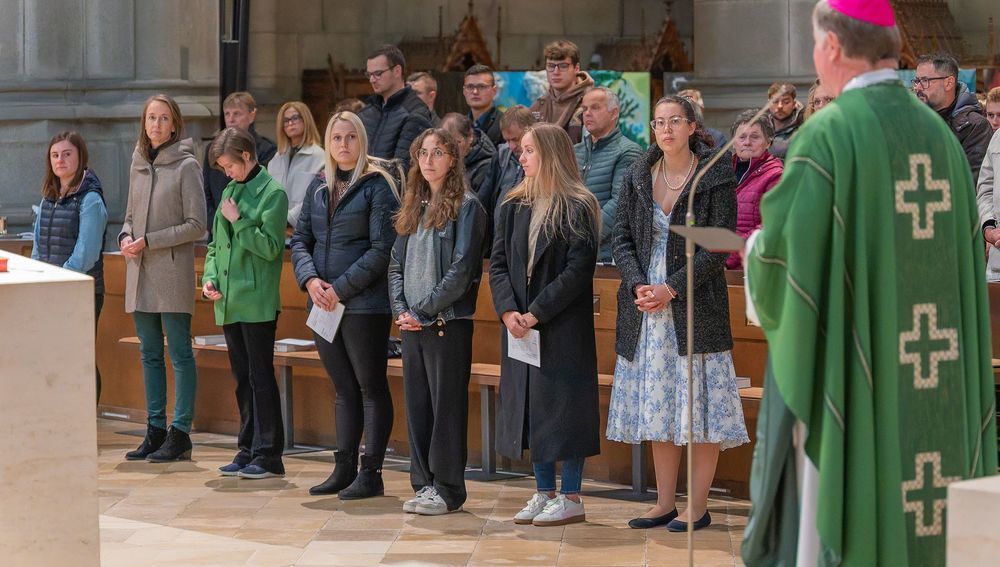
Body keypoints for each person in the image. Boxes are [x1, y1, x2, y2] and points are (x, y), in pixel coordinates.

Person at [741, 2, 996, 565]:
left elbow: (785, 262)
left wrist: (753, 252)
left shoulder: (829, 135)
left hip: (856, 373)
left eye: (815, 45)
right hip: (933, 372)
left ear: (832, 47)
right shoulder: (939, 138)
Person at [608, 95, 747, 532]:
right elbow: (621, 237)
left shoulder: (714, 173)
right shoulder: (638, 173)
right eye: (658, 122)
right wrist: (638, 284)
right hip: (646, 305)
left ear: (691, 127)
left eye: (674, 121)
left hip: (695, 302)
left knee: (699, 409)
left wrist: (671, 288)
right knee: (660, 405)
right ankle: (664, 502)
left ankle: (698, 506)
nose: (665, 130)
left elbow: (719, 244)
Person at [489, 123, 602, 527]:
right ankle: (543, 492)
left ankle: (571, 496)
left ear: (551, 154)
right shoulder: (513, 203)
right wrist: (508, 312)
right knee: (532, 408)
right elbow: (498, 264)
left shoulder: (578, 204)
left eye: (529, 150)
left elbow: (578, 270)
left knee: (565, 409)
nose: (521, 157)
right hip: (520, 325)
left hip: (560, 324)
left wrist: (536, 312)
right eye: (521, 150)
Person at [290, 111, 401, 499]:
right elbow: (300, 240)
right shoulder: (319, 184)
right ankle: (343, 468)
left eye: (351, 137)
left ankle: (371, 473)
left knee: (370, 387)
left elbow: (382, 249)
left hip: (364, 306)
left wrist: (338, 288)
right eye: (336, 137)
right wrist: (310, 281)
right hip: (323, 304)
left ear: (362, 140)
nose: (343, 144)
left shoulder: (377, 184)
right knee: (343, 388)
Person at [388, 129, 489, 516]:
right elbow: (395, 264)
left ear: (453, 159)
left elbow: (461, 271)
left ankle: (448, 489)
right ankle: (424, 484)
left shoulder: (468, 206)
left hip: (446, 323)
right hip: (413, 324)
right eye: (423, 153)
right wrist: (402, 309)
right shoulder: (414, 203)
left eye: (438, 153)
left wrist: (423, 311)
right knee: (417, 408)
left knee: (446, 409)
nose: (428, 160)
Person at [120, 94, 208, 463]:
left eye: (163, 118)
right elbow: (129, 215)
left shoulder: (187, 166)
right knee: (150, 353)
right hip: (139, 271)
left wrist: (150, 240)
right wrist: (125, 236)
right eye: (151, 118)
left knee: (180, 353)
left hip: (171, 271)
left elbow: (197, 225)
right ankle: (155, 429)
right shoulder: (138, 162)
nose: (156, 124)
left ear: (174, 126)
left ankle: (181, 431)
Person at [202, 128, 289, 479]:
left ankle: (269, 454)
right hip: (228, 299)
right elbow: (214, 246)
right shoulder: (230, 190)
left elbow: (271, 248)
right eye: (223, 168)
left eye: (230, 166)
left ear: (248, 156)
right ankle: (247, 447)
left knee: (260, 377)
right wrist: (209, 278)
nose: (227, 173)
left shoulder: (273, 193)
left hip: (256, 299)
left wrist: (239, 222)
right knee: (241, 378)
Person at [32, 131, 108, 403]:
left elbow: (85, 253)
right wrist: (39, 278)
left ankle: (87, 414)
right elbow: (38, 246)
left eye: (67, 154)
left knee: (79, 355)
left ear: (80, 157)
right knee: (52, 354)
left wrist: (58, 279)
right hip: (50, 287)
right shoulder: (48, 198)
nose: (60, 160)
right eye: (55, 155)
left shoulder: (90, 198)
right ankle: (58, 412)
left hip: (80, 289)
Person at [574, 86, 643, 262]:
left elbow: (619, 203)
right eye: (584, 108)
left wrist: (582, 235)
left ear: (614, 113)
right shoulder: (574, 151)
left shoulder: (629, 151)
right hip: (573, 251)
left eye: (595, 107)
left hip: (607, 255)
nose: (587, 113)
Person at [913, 52, 993, 184]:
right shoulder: (913, 123)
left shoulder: (975, 127)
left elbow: (971, 183)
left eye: (925, 81)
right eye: (916, 81)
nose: (918, 87)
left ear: (949, 83)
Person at [204, 92, 277, 230]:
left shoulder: (266, 149)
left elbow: (261, 192)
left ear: (252, 115)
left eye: (236, 114)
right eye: (227, 114)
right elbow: (205, 193)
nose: (231, 119)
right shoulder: (213, 148)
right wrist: (217, 225)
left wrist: (238, 222)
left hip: (250, 226)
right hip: (218, 228)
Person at [358, 45, 434, 170]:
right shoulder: (365, 113)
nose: (372, 80)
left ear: (397, 71)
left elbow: (403, 169)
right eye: (369, 74)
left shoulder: (416, 112)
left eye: (378, 74)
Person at [726, 109, 783, 269]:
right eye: (742, 137)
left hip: (753, 265)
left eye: (755, 137)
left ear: (768, 142)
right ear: (734, 142)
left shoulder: (775, 175)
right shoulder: (722, 171)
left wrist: (731, 257)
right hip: (717, 265)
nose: (747, 142)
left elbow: (771, 225)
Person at [267, 101, 325, 227]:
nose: (290, 123)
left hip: (305, 227)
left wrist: (288, 220)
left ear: (306, 120)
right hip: (275, 227)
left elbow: (315, 197)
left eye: (295, 118)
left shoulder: (320, 157)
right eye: (286, 120)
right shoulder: (276, 159)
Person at [479, 105, 535, 226]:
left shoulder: (541, 161)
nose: (511, 146)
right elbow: (484, 198)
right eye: (507, 140)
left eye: (516, 139)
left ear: (531, 131)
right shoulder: (501, 156)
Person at [529, 40, 595, 144]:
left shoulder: (591, 103)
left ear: (576, 68)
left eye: (563, 66)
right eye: (551, 66)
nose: (556, 72)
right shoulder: (538, 106)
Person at [441, 112, 496, 196]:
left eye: (456, 143)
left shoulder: (486, 167)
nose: (450, 149)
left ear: (470, 137)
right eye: (445, 143)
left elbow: (478, 202)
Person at [463, 64, 504, 147]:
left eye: (481, 86)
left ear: (494, 91)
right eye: (470, 86)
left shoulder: (504, 124)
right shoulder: (460, 124)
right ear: (464, 91)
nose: (475, 92)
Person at [766, 82, 804, 158]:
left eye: (786, 102)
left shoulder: (802, 129)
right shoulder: (761, 127)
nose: (780, 106)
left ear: (794, 104)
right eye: (775, 101)